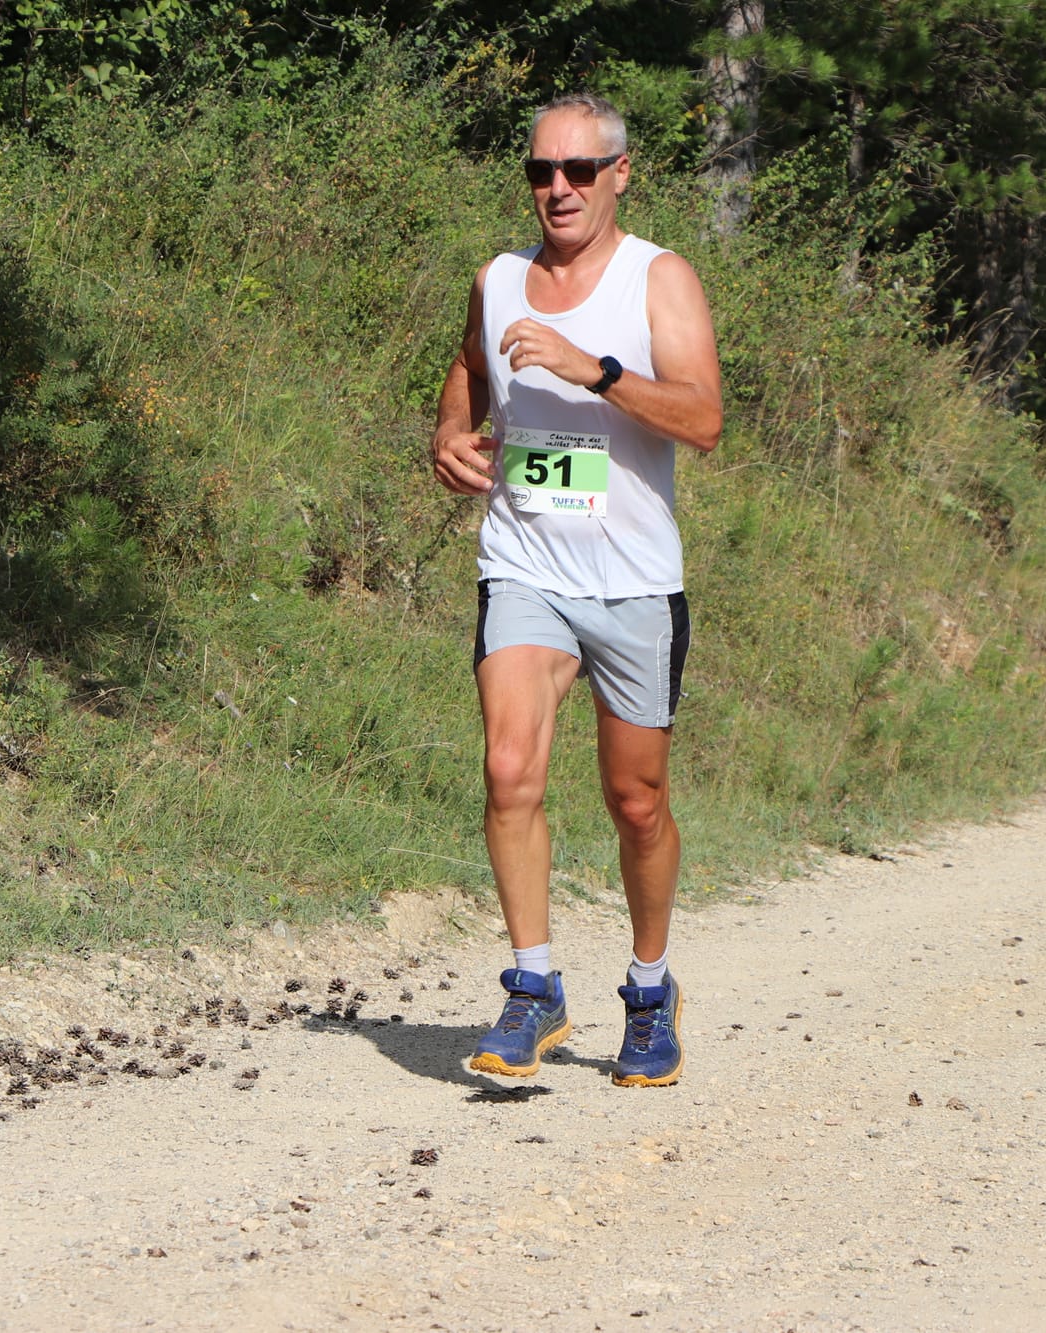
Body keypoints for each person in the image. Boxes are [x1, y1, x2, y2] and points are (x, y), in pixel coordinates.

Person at [430, 92, 723, 1088]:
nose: (556, 190)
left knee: (634, 802)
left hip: (634, 580)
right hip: (524, 565)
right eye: (538, 173)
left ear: (618, 175)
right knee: (509, 766)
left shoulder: (658, 279)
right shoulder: (499, 278)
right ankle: (531, 984)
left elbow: (702, 418)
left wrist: (590, 369)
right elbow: (469, 368)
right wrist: (446, 436)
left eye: (577, 173)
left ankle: (649, 991)